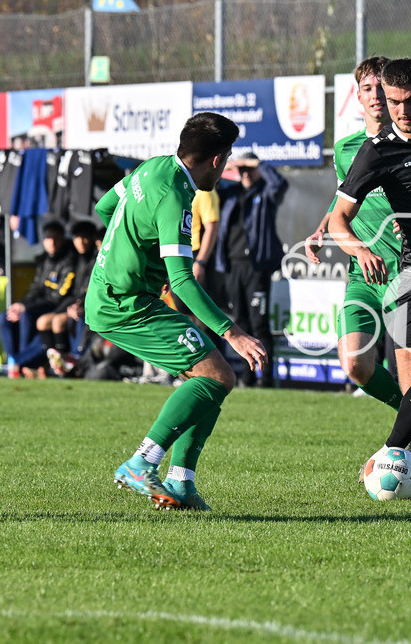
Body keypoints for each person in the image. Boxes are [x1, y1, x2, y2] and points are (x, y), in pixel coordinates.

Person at [87, 112, 267, 511]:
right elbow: (183, 281)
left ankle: (181, 481)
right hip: (125, 304)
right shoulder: (177, 196)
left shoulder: (151, 168)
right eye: (228, 158)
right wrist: (233, 332)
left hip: (118, 294)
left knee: (206, 379)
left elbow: (105, 207)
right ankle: (142, 461)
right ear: (217, 160)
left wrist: (135, 256)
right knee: (219, 375)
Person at [305, 56, 411, 475]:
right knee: (356, 364)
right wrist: (324, 228)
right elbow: (346, 199)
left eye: (384, 90)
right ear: (358, 96)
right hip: (365, 273)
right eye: (369, 89)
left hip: (409, 270)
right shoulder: (349, 149)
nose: (379, 97)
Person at [215, 151, 287, 387]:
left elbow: (279, 183)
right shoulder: (230, 194)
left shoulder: (266, 193)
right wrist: (229, 166)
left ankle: (265, 379)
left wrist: (257, 164)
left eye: (250, 169)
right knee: (241, 323)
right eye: (242, 170)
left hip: (256, 268)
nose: (246, 173)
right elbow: (209, 186)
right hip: (232, 268)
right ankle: (247, 377)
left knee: (259, 324)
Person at [0, 219, 75, 378]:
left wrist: (26, 308)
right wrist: (20, 304)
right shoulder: (44, 260)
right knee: (5, 317)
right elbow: (35, 288)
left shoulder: (70, 260)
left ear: (62, 238)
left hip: (55, 307)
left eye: (55, 238)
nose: (52, 242)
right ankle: (13, 360)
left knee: (26, 316)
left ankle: (19, 364)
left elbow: (57, 297)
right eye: (48, 238)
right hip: (38, 306)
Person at [37, 219, 98, 376]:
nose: (81, 242)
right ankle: (55, 365)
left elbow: (91, 288)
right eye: (77, 237)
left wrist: (78, 305)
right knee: (42, 321)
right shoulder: (74, 257)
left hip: (88, 306)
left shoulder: (96, 259)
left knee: (59, 321)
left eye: (85, 237)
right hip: (73, 303)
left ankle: (69, 364)